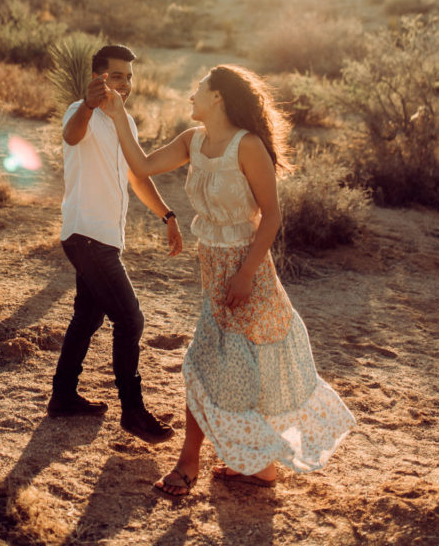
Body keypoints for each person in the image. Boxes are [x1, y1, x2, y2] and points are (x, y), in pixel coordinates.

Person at [104, 64, 355, 495]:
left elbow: (271, 215)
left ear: (218, 96)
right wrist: (115, 114)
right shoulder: (193, 141)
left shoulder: (248, 146)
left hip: (247, 274)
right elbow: (141, 164)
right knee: (227, 368)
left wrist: (245, 274)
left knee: (212, 365)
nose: (191, 97)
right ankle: (259, 468)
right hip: (212, 272)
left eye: (198, 89)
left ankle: (190, 465)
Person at [48, 44, 183, 445]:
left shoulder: (126, 122)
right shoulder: (79, 112)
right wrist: (88, 107)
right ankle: (133, 411)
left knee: (88, 318)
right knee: (130, 319)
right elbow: (73, 136)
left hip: (104, 236)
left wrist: (168, 215)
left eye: (129, 76)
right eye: (117, 76)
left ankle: (63, 396)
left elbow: (137, 177)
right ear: (99, 77)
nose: (126, 84)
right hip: (87, 234)